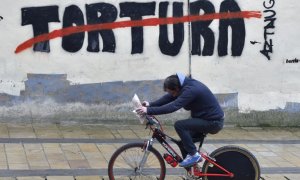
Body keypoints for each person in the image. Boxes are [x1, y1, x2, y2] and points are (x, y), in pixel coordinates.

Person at [136, 73, 224, 167]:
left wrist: (148, 110)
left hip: (213, 122)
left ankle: (194, 155)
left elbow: (173, 106)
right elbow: (169, 97)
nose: (172, 95)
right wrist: (150, 104)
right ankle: (192, 170)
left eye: (172, 92)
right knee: (184, 143)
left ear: (177, 89)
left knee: (180, 125)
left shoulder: (190, 90)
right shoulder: (183, 86)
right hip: (205, 119)